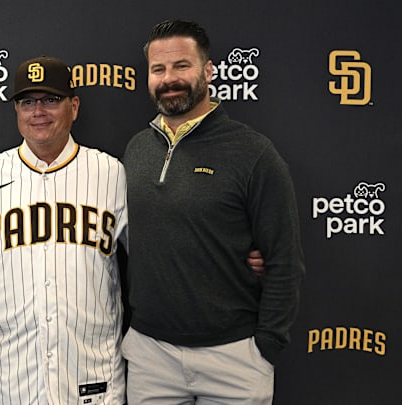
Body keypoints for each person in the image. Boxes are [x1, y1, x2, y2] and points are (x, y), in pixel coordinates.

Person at [121, 20, 305, 404]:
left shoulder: (253, 153)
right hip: (150, 356)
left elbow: (284, 260)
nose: (169, 78)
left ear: (208, 70)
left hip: (233, 358)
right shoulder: (137, 149)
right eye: (159, 69)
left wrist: (266, 346)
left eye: (181, 66)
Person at [0, 56, 128, 404]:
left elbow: (159, 254)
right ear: (16, 110)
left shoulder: (111, 173)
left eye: (51, 99)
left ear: (73, 106)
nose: (38, 112)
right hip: (9, 380)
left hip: (91, 375)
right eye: (27, 102)